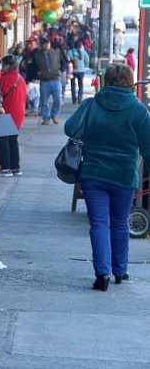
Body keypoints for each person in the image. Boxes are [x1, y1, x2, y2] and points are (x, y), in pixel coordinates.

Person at [64, 63, 150, 291]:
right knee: (120, 223)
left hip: (94, 174)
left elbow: (70, 128)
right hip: (124, 176)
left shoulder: (92, 105)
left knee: (99, 223)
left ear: (106, 81)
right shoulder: (139, 110)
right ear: (131, 82)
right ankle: (120, 270)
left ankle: (102, 273)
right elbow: (148, 147)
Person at [0, 55, 27, 177]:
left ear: (7, 66)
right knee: (12, 141)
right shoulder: (20, 79)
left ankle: (5, 168)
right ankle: (15, 167)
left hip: (5, 113)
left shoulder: (4, 79)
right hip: (19, 114)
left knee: (2, 141)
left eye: (3, 65)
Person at [34, 37, 64, 125]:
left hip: (56, 79)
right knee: (44, 101)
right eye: (44, 43)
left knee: (58, 99)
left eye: (48, 43)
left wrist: (60, 70)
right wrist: (38, 72)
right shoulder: (37, 54)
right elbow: (33, 66)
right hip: (44, 80)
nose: (46, 45)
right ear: (41, 45)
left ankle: (54, 115)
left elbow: (64, 63)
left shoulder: (56, 53)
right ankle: (45, 118)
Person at [20, 36, 40, 116]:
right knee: (31, 92)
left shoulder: (37, 52)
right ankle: (33, 108)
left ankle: (35, 109)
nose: (29, 45)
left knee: (35, 93)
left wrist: (37, 77)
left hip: (35, 77)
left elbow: (39, 65)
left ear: (35, 44)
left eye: (31, 43)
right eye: (28, 43)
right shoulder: (27, 53)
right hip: (29, 75)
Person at [67, 39, 90, 104]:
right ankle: (80, 96)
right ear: (81, 45)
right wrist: (84, 66)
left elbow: (67, 59)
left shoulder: (70, 52)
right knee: (80, 84)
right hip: (81, 71)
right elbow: (87, 61)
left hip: (73, 71)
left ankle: (74, 99)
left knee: (73, 85)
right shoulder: (84, 52)